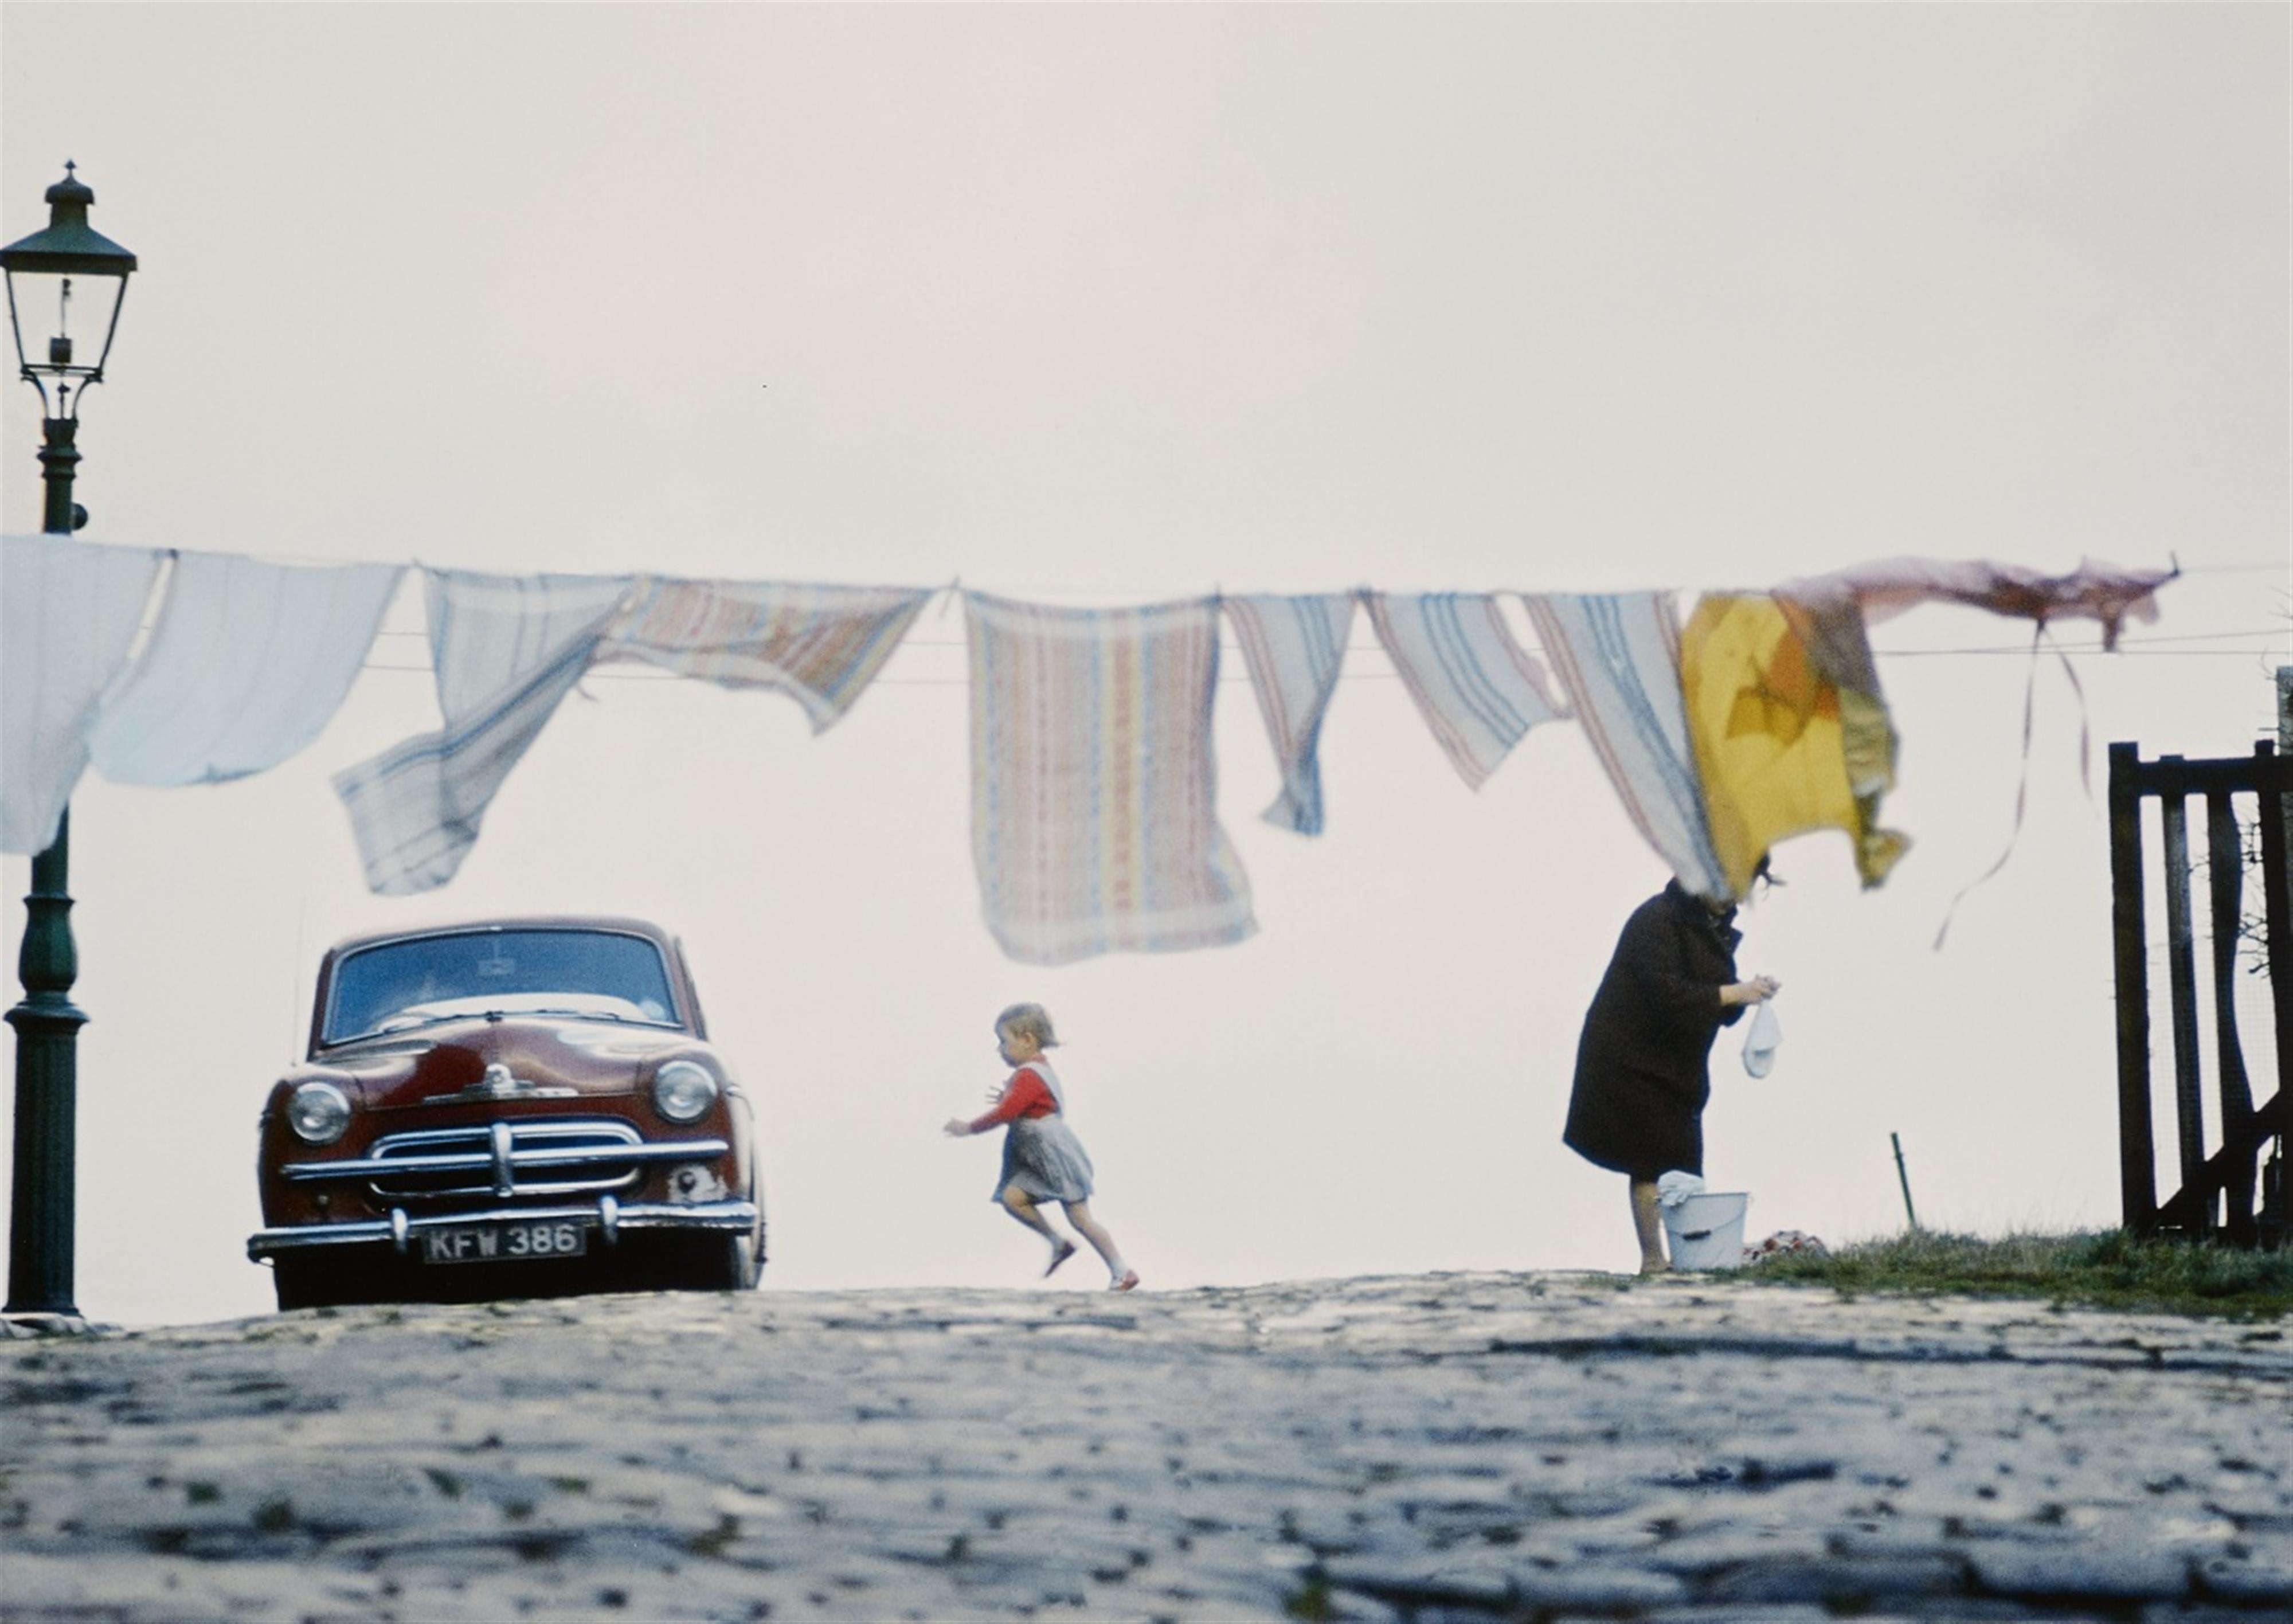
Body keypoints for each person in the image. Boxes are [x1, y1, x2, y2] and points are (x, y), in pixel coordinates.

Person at [1563, 863, 1780, 1275]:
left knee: (1681, 1160)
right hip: (1629, 1055)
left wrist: (1750, 994)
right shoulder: (1657, 918)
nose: (1734, 898)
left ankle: (1686, 1257)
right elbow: (1669, 996)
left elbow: (1717, 1006)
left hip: (1674, 1061)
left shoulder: (1709, 925)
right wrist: (1738, 991)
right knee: (1651, 1155)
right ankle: (1653, 1260)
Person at [944, 1003, 1139, 1292]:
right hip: (1037, 1155)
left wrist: (969, 1127)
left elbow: (1007, 1113)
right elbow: (1024, 1104)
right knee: (1014, 1198)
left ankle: (1121, 1270)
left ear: (1026, 1040)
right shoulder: (1032, 1074)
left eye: (1004, 1042)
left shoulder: (1029, 1074)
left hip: (1051, 1154)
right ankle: (1059, 1243)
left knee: (1080, 1217)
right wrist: (1009, 1099)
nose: (1000, 1050)